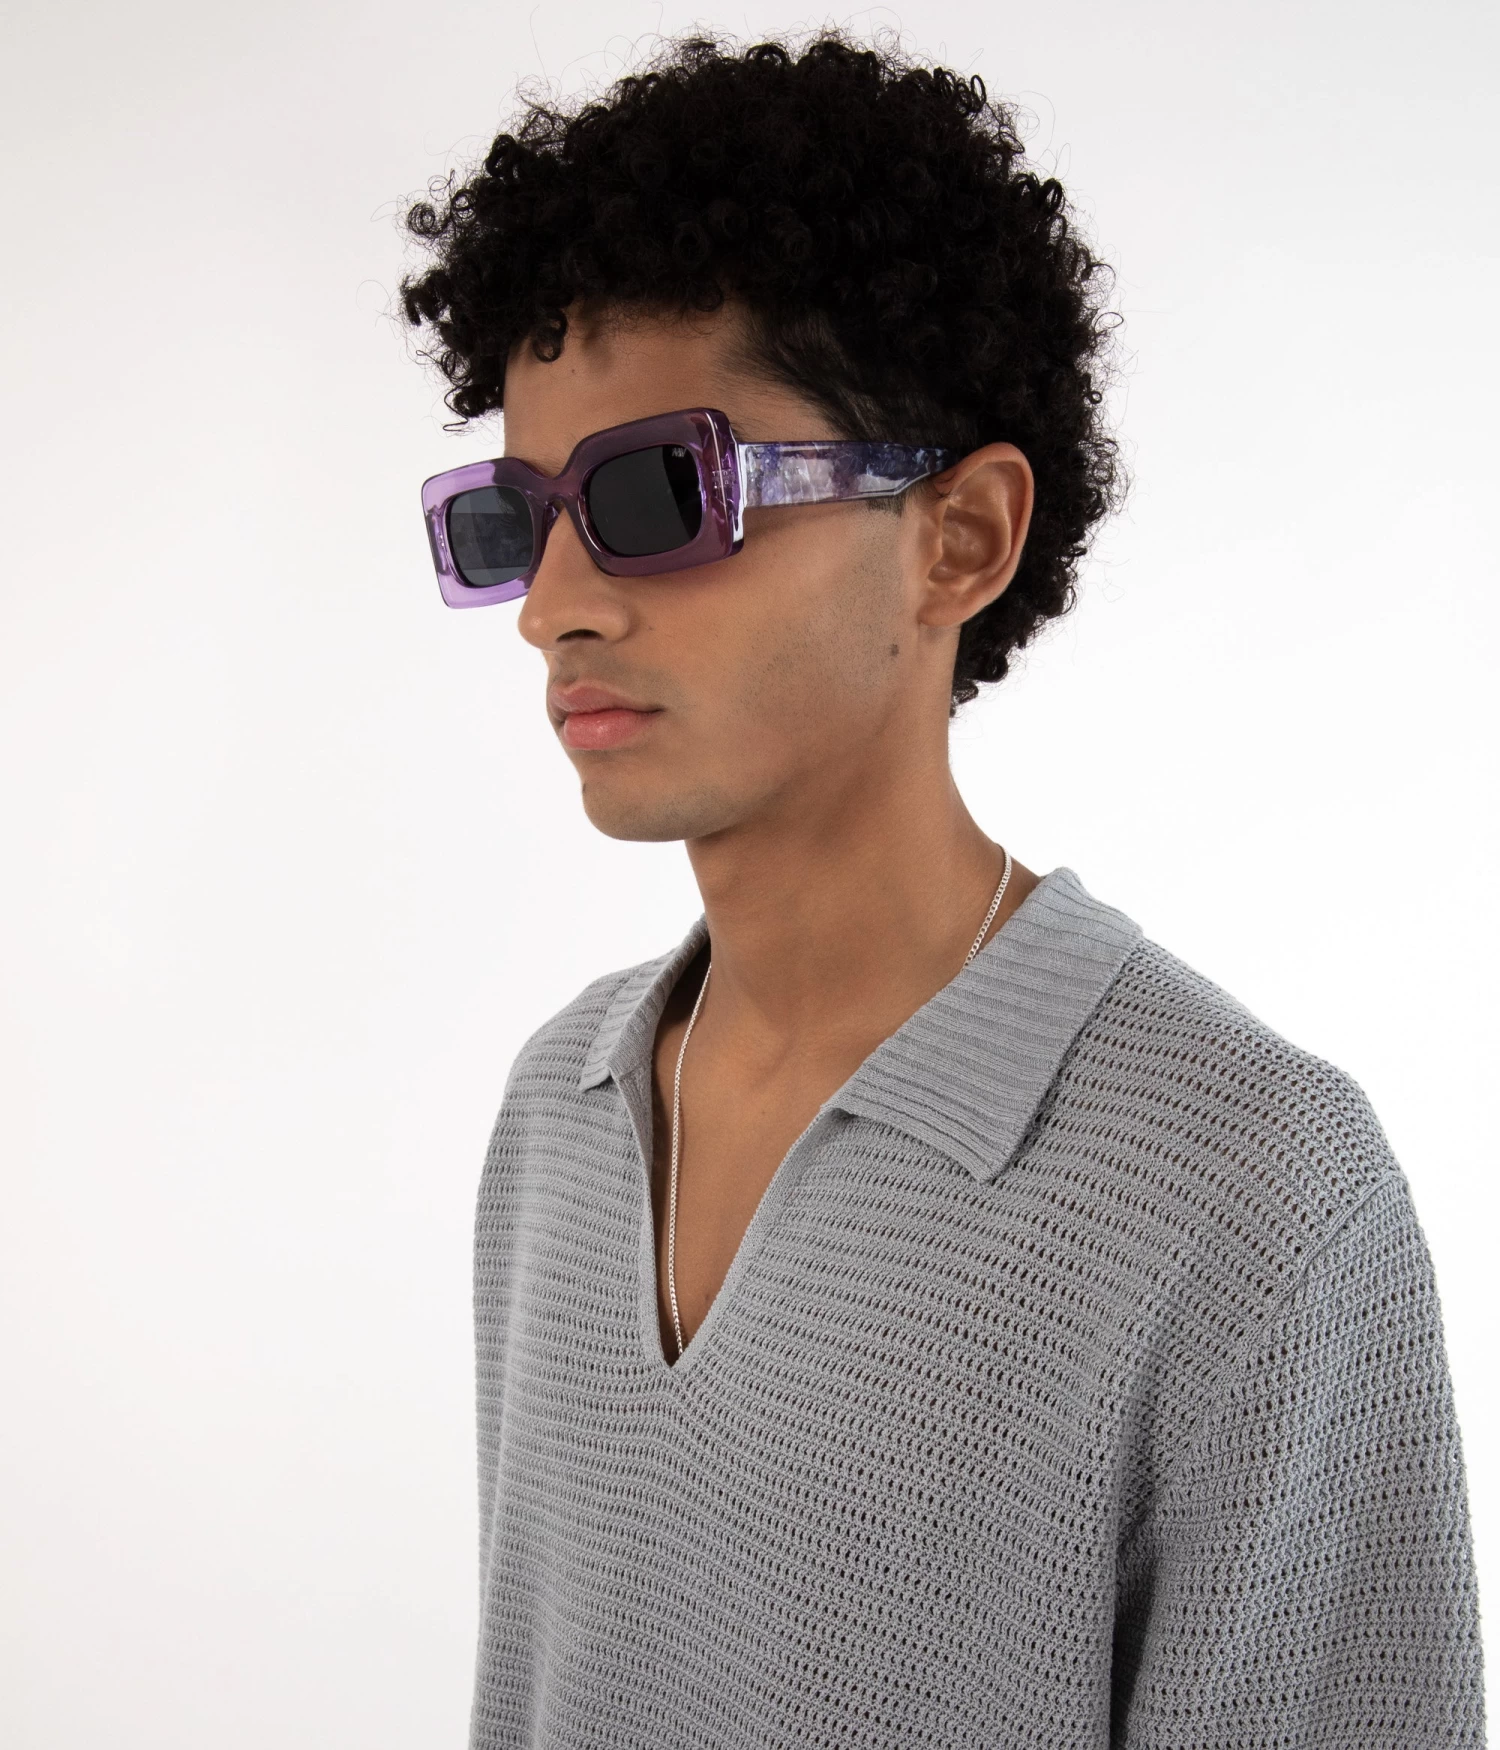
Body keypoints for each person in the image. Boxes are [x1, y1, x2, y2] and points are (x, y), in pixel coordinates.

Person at [399, 32, 1486, 1749]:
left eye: (657, 493)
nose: (554, 605)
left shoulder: (1254, 1193)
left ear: (959, 537)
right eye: (516, 517)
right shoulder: (561, 1112)